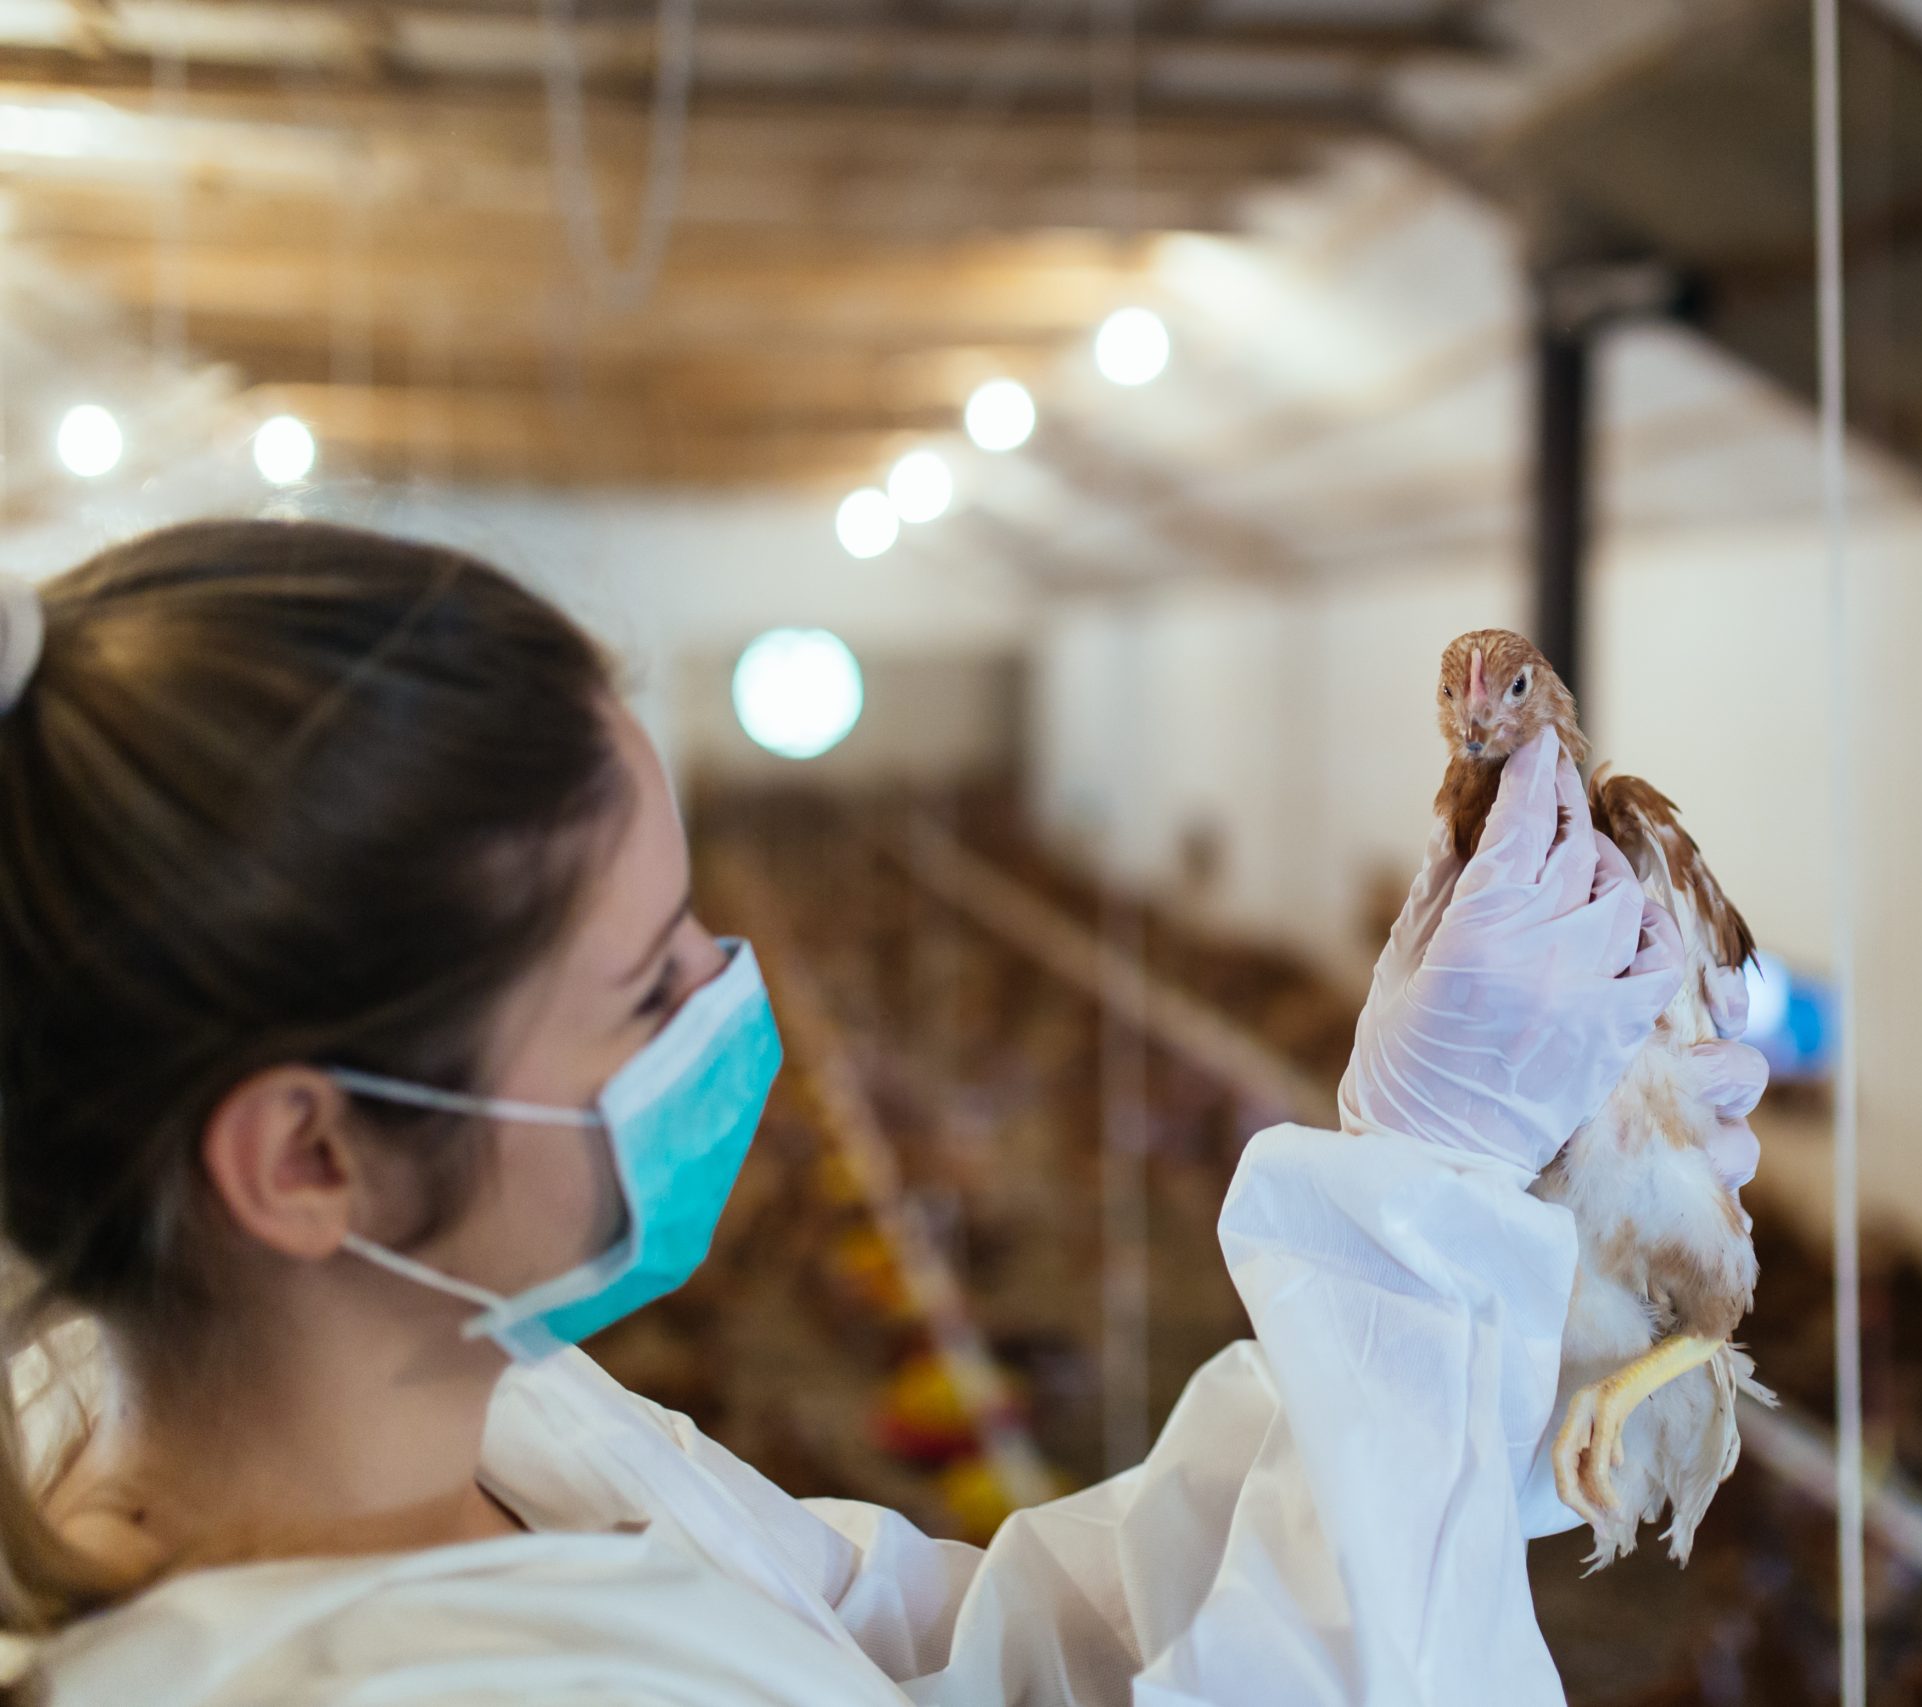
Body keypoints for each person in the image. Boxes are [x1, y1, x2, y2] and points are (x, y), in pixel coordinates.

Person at [0, 520, 1768, 1706]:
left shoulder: (490, 1417)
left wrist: (1468, 1237)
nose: (730, 992)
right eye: (640, 984)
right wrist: (1424, 1229)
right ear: (312, 1159)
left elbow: (981, 1666)